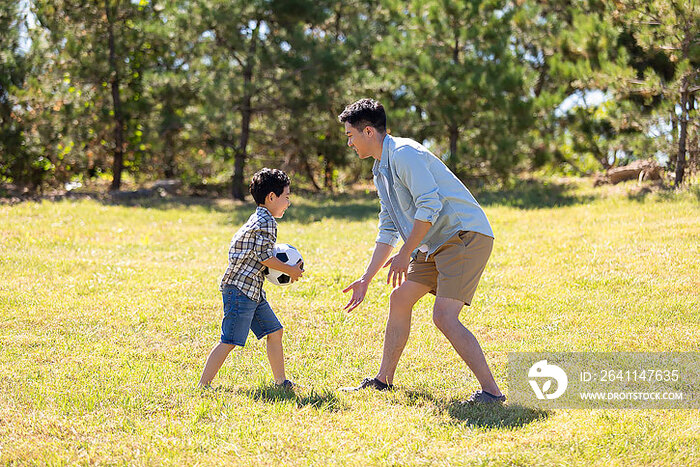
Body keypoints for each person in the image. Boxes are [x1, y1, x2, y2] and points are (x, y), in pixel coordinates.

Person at [338, 98, 505, 403]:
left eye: (350, 135)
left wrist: (406, 253)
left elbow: (430, 205)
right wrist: (366, 278)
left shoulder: (404, 154)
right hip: (434, 241)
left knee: (444, 316)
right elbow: (388, 227)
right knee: (400, 298)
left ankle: (492, 393)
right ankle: (383, 381)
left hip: (463, 234)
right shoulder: (380, 170)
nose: (349, 143)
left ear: (368, 132)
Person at [199, 168, 304, 388]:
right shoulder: (267, 223)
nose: (288, 203)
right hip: (240, 290)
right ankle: (203, 385)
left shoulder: (259, 216)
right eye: (286, 197)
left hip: (251, 290)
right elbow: (265, 257)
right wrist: (289, 269)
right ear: (271, 197)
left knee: (275, 331)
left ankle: (281, 382)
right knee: (229, 340)